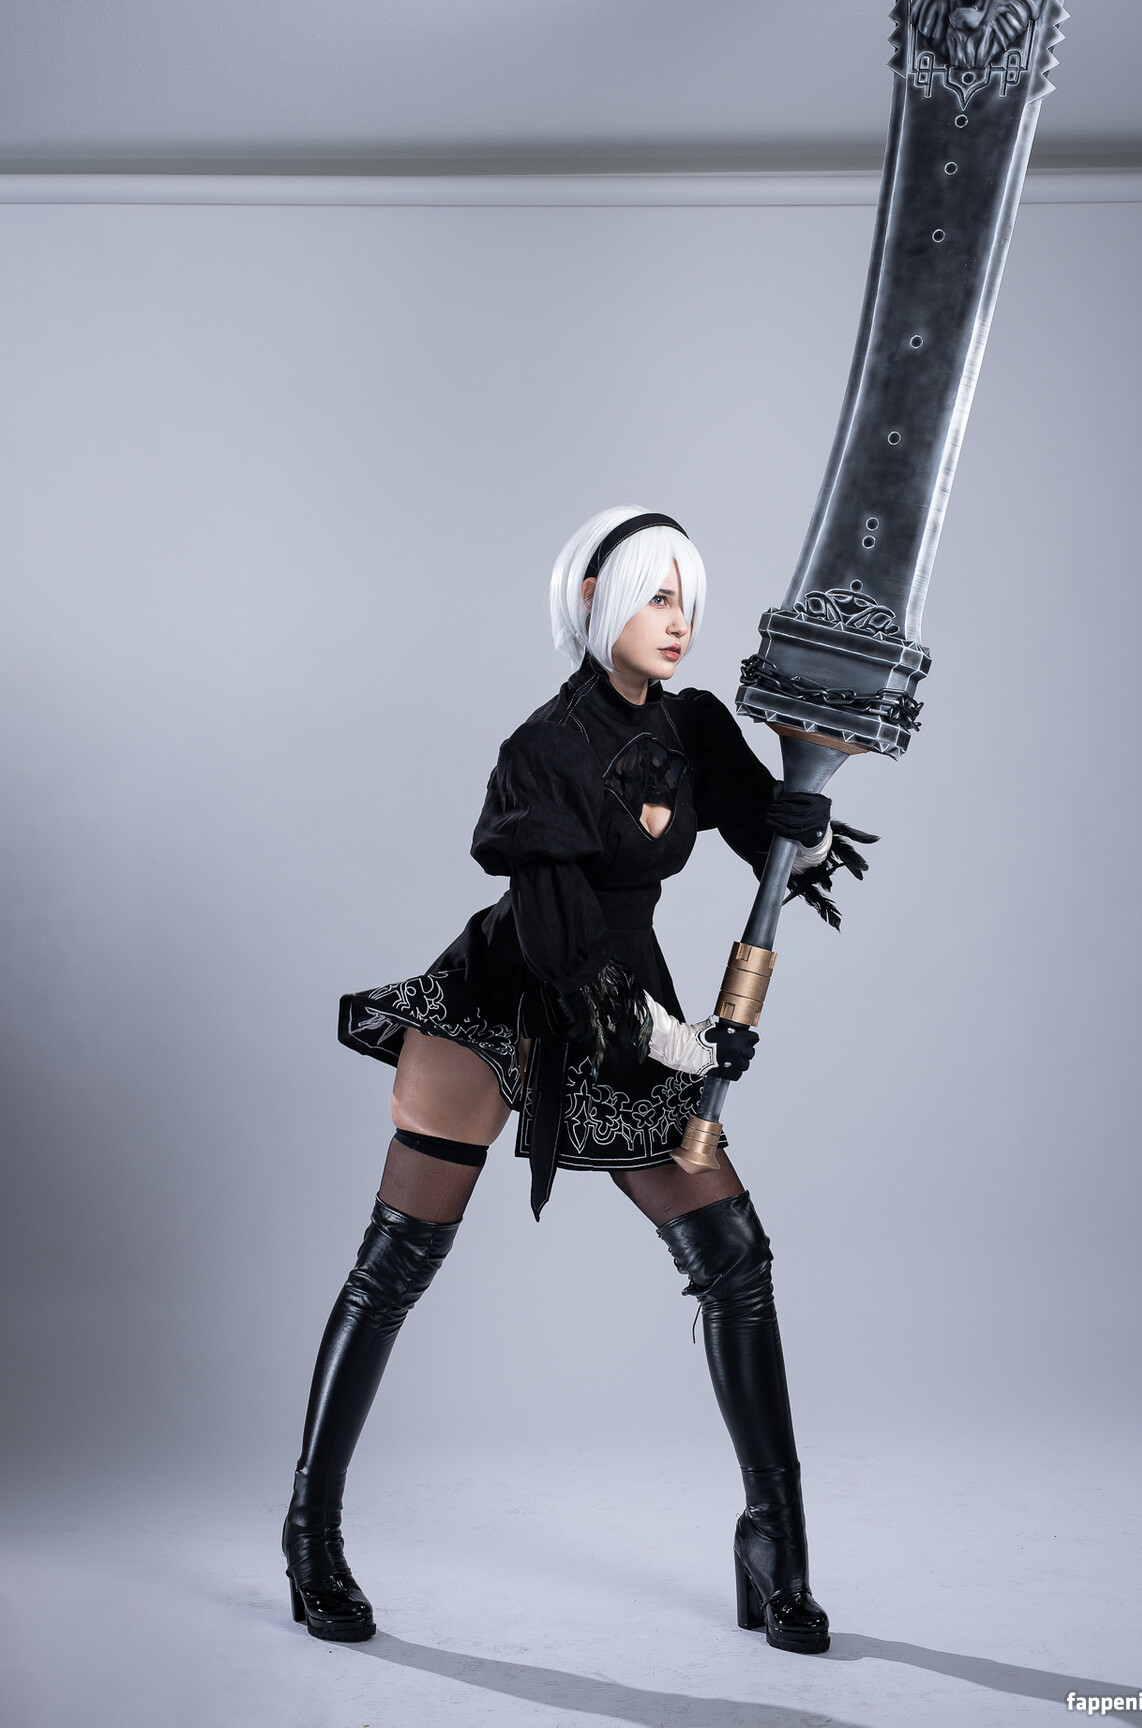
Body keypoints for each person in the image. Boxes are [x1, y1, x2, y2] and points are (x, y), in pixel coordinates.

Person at [282, 505, 874, 1656]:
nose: (680, 620)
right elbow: (560, 941)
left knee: (734, 1258)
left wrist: (803, 823)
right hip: (502, 1005)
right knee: (397, 1265)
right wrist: (680, 1045)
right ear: (596, 597)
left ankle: (775, 1544)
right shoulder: (541, 751)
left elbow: (768, 841)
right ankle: (312, 1533)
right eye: (657, 595)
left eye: (690, 599)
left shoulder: (693, 726)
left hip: (628, 998)